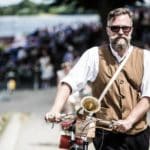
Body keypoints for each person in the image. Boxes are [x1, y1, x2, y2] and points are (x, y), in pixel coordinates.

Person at [45, 7, 150, 150]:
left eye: (125, 28)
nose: (120, 32)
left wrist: (130, 121)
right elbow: (69, 82)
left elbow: (148, 95)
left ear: (131, 30)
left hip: (138, 134)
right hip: (106, 136)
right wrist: (55, 109)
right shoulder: (93, 55)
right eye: (115, 28)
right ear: (108, 30)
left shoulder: (145, 57)